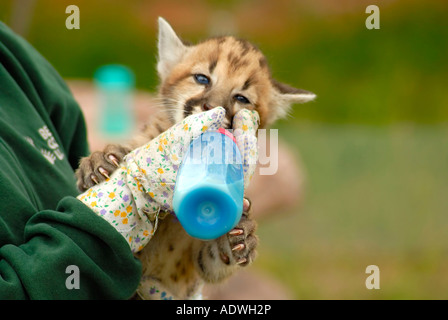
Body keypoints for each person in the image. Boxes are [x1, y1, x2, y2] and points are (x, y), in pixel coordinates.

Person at [0, 21, 258, 299]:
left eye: (241, 98)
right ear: (169, 69)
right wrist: (121, 195)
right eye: (203, 79)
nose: (215, 105)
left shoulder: (16, 60)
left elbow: (208, 270)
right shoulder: (144, 152)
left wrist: (229, 241)